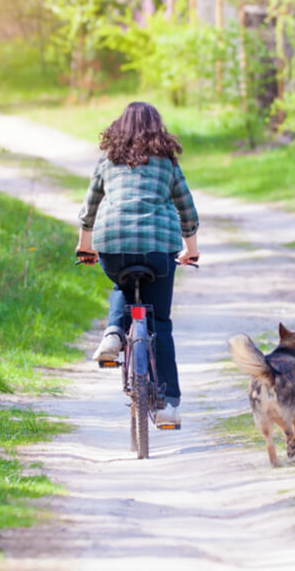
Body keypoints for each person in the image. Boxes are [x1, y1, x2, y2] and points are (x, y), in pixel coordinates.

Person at [76, 101, 200, 427]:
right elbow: (186, 209)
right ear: (158, 129)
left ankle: (114, 333)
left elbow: (90, 207)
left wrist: (84, 247)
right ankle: (167, 406)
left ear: (119, 128)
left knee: (121, 282)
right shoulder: (167, 164)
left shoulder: (107, 161)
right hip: (159, 249)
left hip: (113, 245)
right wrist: (192, 250)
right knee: (159, 321)